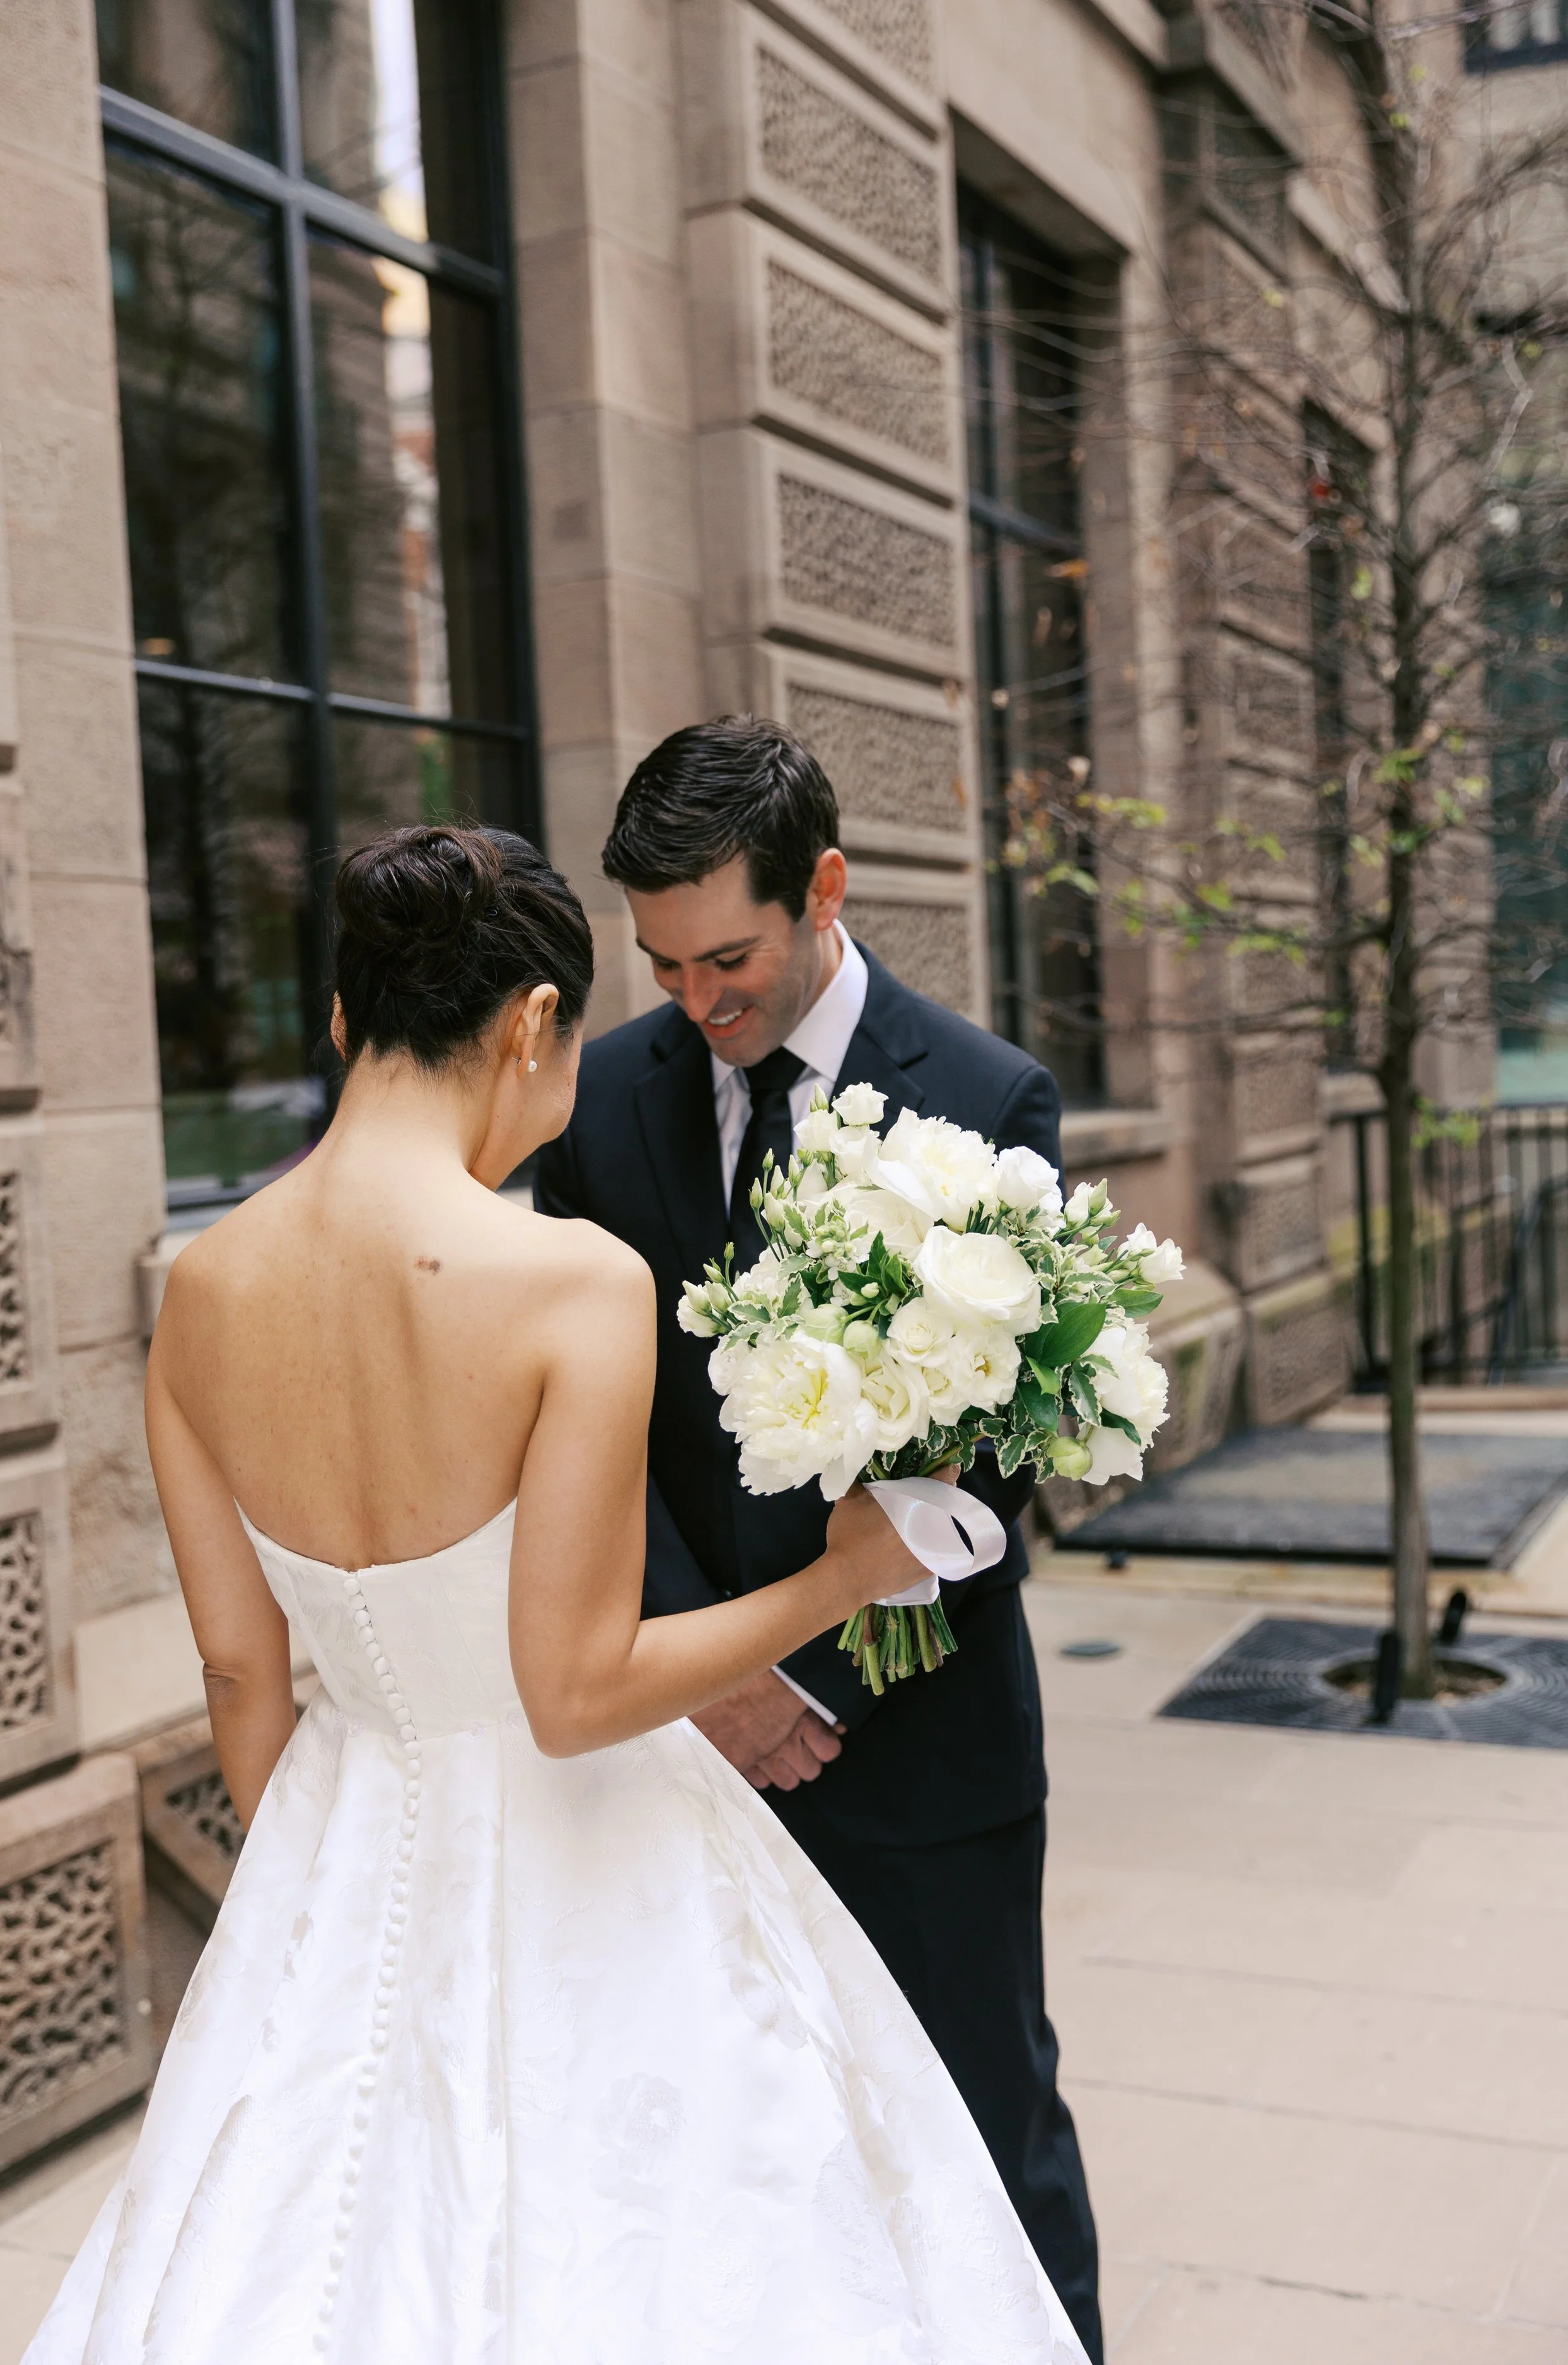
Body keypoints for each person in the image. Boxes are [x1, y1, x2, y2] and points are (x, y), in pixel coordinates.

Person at [23, 822, 1089, 2365]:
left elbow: (241, 1676)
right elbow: (575, 1690)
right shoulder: (572, 1282)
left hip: (340, 1826)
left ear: (342, 1020)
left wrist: (303, 1913)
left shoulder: (201, 1291)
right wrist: (845, 1577)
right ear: (529, 1025)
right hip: (588, 1846)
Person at [536, 716, 1103, 2364]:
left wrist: (811, 1684)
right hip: (685, 1750)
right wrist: (704, 1670)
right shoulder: (605, 1097)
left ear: (824, 890)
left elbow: (992, 1471)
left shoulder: (989, 1096)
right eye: (662, 967)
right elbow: (590, 1422)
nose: (698, 1003)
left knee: (984, 2144)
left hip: (921, 1752)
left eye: (729, 957)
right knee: (746, 2166)